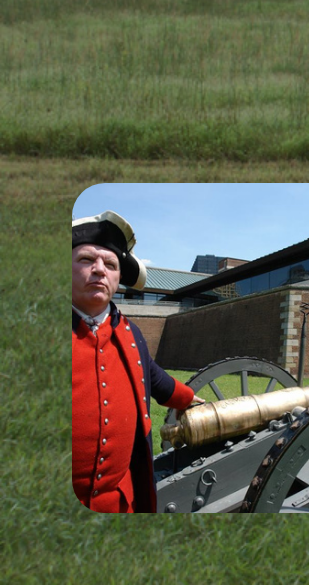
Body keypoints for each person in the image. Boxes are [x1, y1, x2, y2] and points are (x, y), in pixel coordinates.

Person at [71, 210, 199, 512]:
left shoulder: (130, 333)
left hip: (121, 504)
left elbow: (154, 377)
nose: (99, 270)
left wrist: (188, 398)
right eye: (86, 260)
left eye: (110, 264)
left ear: (118, 279)